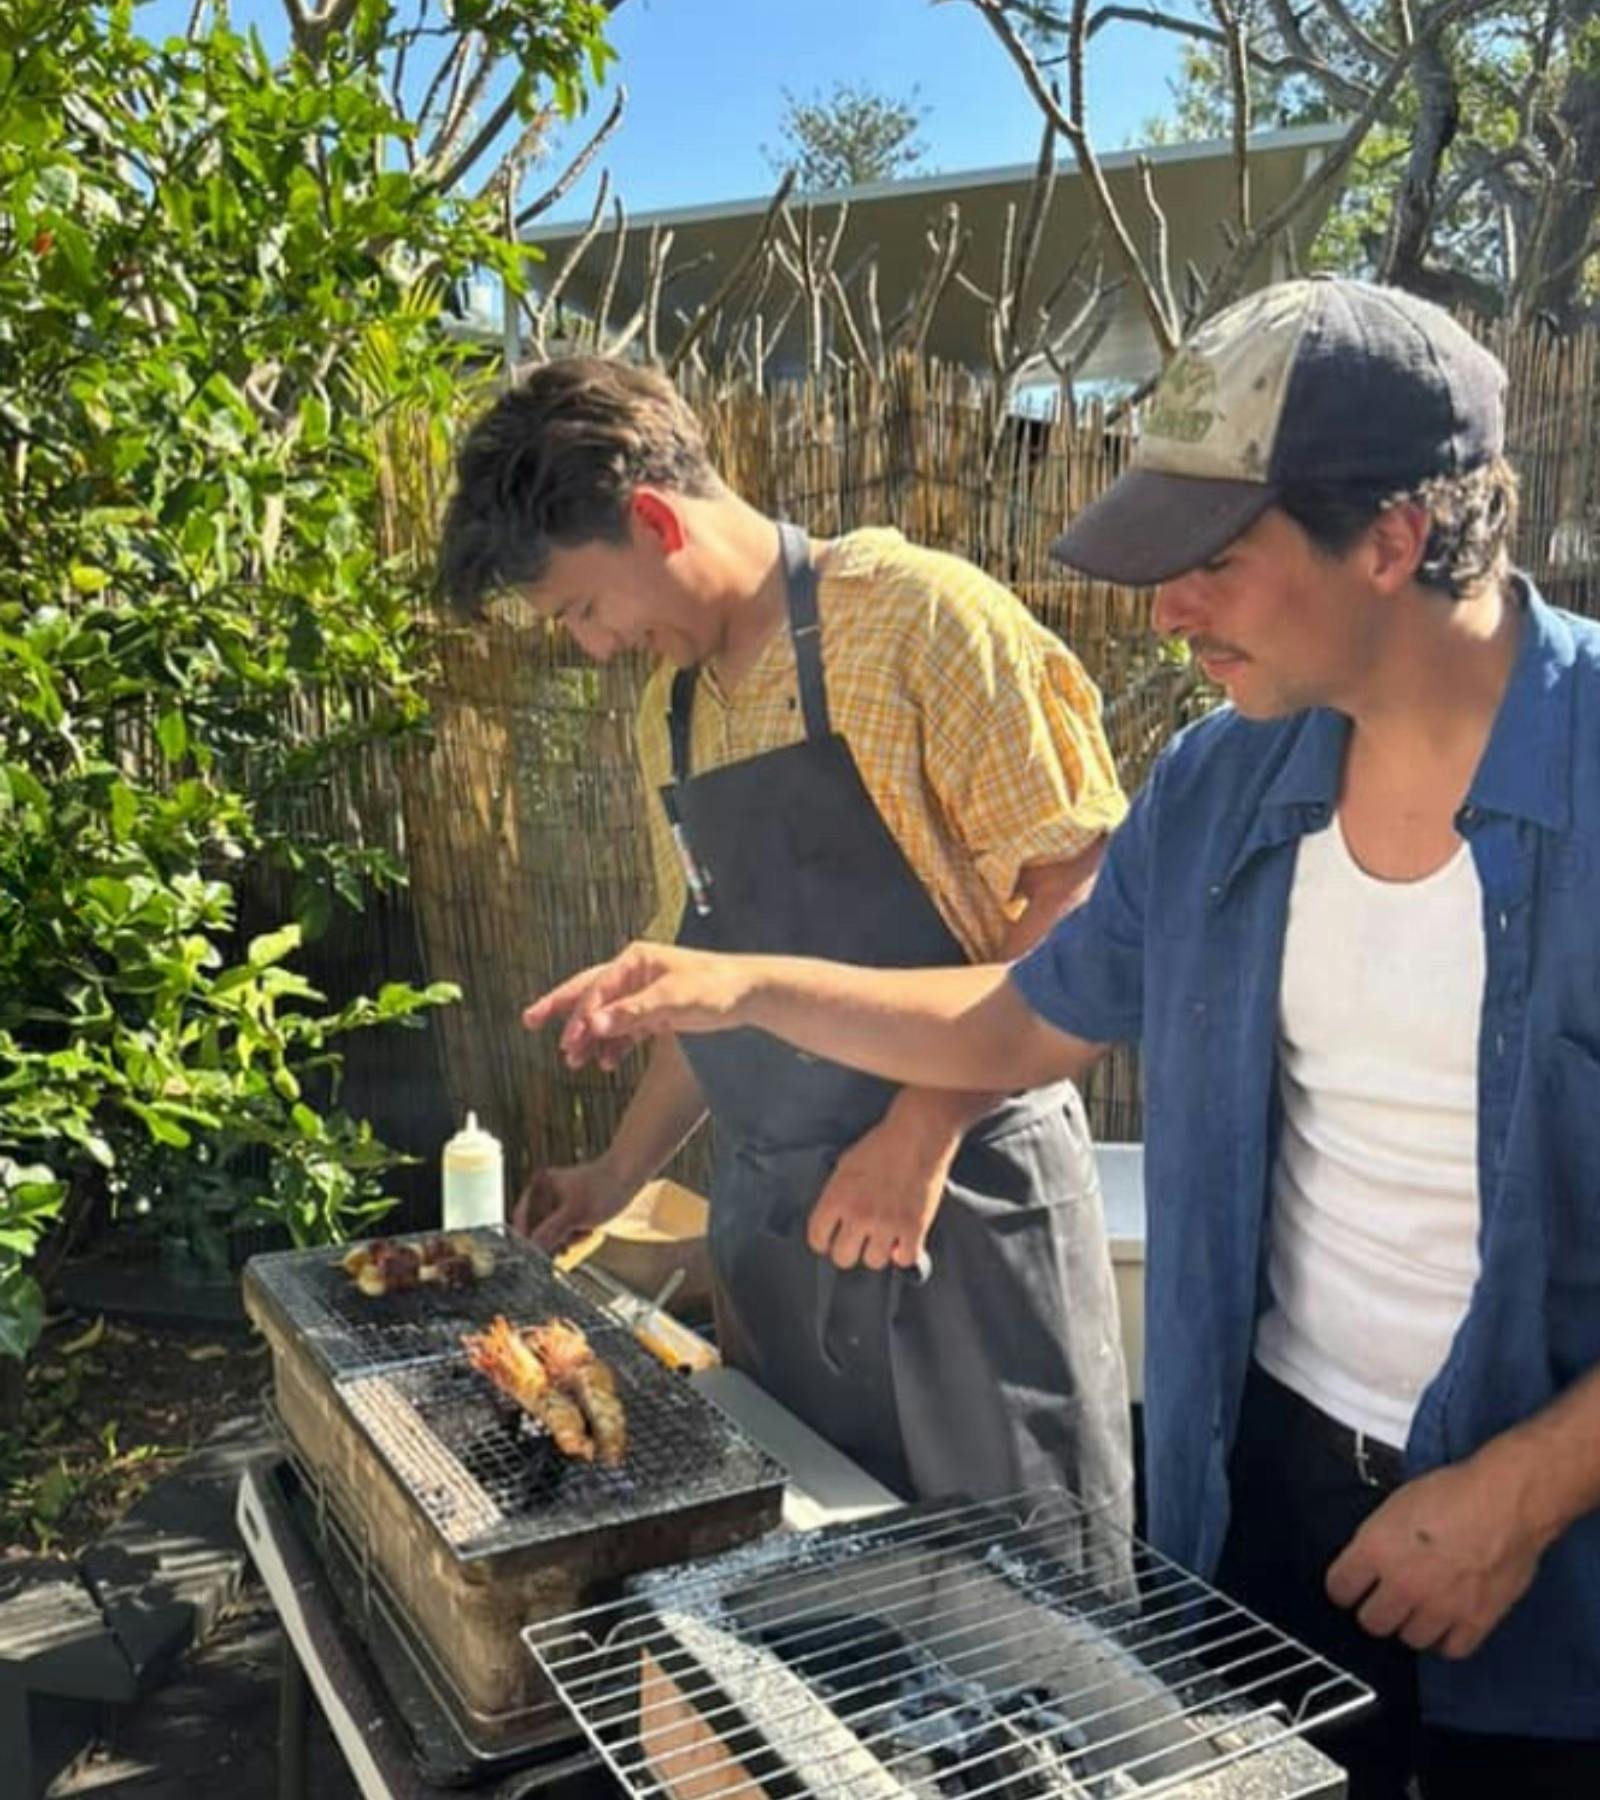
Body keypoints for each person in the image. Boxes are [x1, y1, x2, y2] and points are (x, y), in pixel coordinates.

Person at [524, 281, 1600, 1800]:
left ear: (1391, 540)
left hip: (1558, 1532)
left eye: (1213, 562)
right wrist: (741, 985)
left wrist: (1524, 1491)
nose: (1164, 610)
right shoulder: (1221, 787)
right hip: (1270, 1500)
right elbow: (1017, 1017)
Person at [436, 356, 1134, 1521]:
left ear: (653, 518)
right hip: (776, 1236)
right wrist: (617, 1173)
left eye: (583, 609)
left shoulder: (920, 617)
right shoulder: (677, 709)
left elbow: (1083, 900)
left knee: (1031, 1627)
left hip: (960, 1214)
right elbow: (713, 989)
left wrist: (922, 1126)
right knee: (810, 1605)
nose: (594, 649)